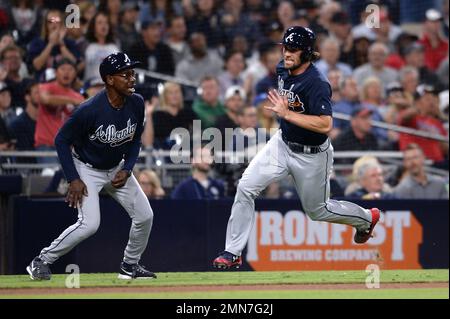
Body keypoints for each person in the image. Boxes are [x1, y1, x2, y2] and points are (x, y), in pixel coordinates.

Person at [212, 26, 380, 270]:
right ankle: (232, 252)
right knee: (246, 187)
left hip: (312, 156)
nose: (286, 53)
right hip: (282, 144)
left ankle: (366, 218)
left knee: (318, 211)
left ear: (307, 52)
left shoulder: (317, 83)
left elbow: (326, 124)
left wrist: (287, 114)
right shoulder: (282, 67)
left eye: (292, 49)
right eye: (284, 47)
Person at [26, 52, 156, 281]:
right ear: (109, 79)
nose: (132, 79)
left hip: (116, 167)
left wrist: (127, 168)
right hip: (87, 168)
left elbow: (135, 140)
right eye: (125, 74)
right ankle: (41, 260)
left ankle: (129, 265)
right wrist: (73, 177)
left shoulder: (136, 102)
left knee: (145, 216)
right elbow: (61, 140)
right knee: (89, 224)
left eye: (133, 73)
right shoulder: (89, 109)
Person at [34, 58, 84, 164]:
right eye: (63, 69)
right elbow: (46, 99)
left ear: (75, 74)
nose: (67, 72)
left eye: (70, 69)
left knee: (67, 180)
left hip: (67, 148)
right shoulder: (45, 87)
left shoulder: (77, 96)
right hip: (46, 145)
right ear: (56, 72)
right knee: (49, 175)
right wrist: (72, 100)